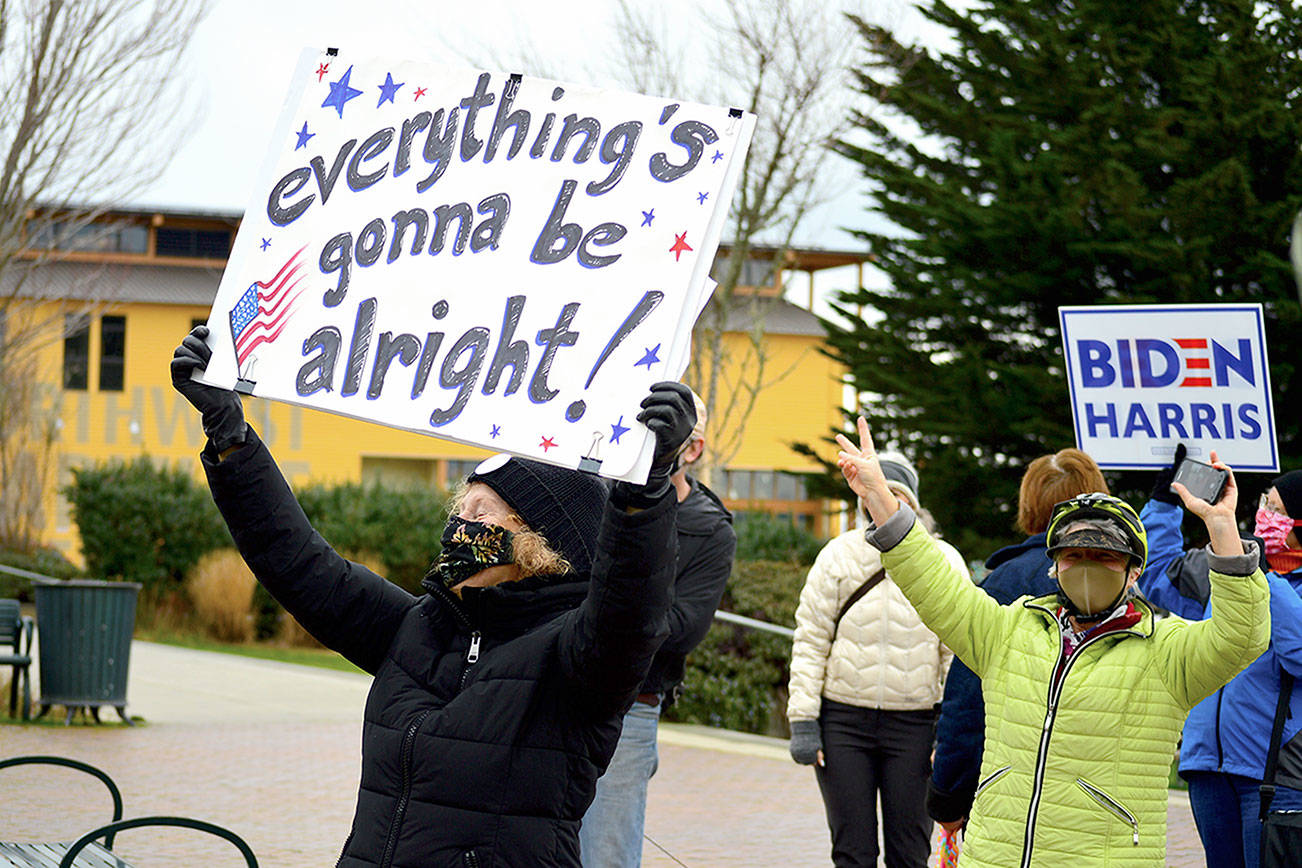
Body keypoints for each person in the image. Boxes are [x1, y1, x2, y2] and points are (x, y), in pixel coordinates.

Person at [170, 325, 697, 868]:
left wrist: (645, 492)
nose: (458, 528)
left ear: (539, 545)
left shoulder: (576, 659)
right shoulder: (419, 627)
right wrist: (229, 433)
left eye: (481, 513)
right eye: (458, 511)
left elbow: (631, 608)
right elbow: (296, 560)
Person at [835, 417, 1270, 867]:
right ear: (1054, 564)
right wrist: (881, 499)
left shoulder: (1167, 652)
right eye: (1073, 555)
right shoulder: (1008, 631)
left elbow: (1243, 636)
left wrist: (1222, 529)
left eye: (1105, 557)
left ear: (1134, 570)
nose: (1086, 567)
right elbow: (933, 582)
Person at [578, 389, 736, 868]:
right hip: (561, 686)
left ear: (693, 450)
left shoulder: (710, 530)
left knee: (606, 851)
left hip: (632, 706)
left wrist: (610, 619)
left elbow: (685, 628)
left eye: (669, 437)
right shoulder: (594, 497)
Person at [786, 452, 963, 868]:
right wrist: (803, 721)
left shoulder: (944, 560)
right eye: (876, 492)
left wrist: (949, 733)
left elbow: (957, 654)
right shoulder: (837, 556)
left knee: (910, 851)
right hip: (843, 721)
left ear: (913, 503)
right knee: (852, 852)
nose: (884, 502)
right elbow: (811, 639)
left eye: (895, 493)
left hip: (916, 725)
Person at [928, 448, 1108, 833]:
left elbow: (968, 697)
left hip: (1012, 792)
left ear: (1029, 503)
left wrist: (948, 793)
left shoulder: (1006, 583)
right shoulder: (1120, 582)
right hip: (1099, 793)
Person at [1138, 460, 1302, 868]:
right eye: (1266, 502)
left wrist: (1257, 576)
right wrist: (1163, 503)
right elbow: (1157, 574)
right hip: (1207, 767)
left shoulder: (1251, 569)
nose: (1265, 515)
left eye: (1278, 509)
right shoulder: (1227, 566)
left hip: (1275, 776)